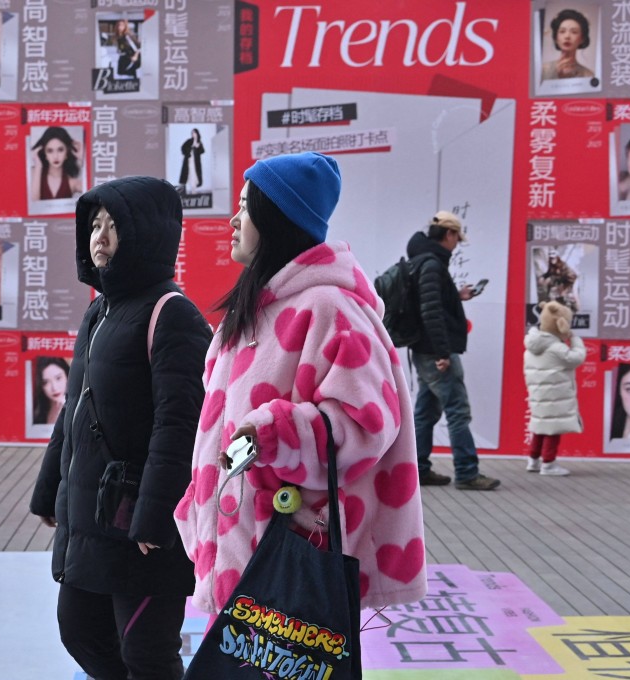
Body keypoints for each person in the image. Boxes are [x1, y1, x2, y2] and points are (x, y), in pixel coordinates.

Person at [174, 151, 428, 617]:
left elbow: (366, 423)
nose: (234, 218)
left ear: (277, 220)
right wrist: (198, 504)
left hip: (290, 552)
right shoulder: (249, 314)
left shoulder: (331, 308)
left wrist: (275, 433)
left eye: (247, 206)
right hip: (238, 548)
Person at [29, 176, 212, 680]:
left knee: (146, 655)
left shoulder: (172, 316)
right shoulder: (98, 312)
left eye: (114, 226)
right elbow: (75, 412)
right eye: (95, 225)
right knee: (79, 631)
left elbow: (180, 426)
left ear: (148, 234)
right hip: (92, 518)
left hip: (142, 529)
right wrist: (49, 492)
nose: (100, 238)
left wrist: (155, 517)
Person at [406, 211, 500, 490]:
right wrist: (443, 353)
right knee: (458, 409)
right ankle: (467, 472)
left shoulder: (423, 260)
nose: (457, 243)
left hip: (424, 348)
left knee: (426, 410)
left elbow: (432, 303)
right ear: (448, 234)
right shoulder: (432, 264)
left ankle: (419, 468)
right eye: (457, 237)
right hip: (435, 350)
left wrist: (457, 296)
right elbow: (431, 311)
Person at [524, 301, 585, 476]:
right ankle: (548, 464)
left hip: (539, 395)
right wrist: (574, 339)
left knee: (540, 426)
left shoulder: (531, 345)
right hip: (556, 394)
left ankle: (533, 460)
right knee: (553, 428)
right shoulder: (556, 347)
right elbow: (577, 358)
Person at [29, 127, 83, 202]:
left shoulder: (72, 183)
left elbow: (99, 193)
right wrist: (38, 166)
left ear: (67, 152)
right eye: (50, 151)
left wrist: (82, 157)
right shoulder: (33, 172)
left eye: (60, 150)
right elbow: (34, 203)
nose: (55, 156)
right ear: (45, 153)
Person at [541, 9, 594, 80]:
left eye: (574, 32)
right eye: (562, 31)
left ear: (582, 39)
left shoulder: (589, 75)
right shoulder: (543, 70)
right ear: (556, 38)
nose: (567, 36)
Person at [537, 248, 579, 312]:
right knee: (553, 293)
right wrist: (543, 277)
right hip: (560, 284)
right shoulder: (552, 266)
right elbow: (549, 273)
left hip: (570, 282)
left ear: (557, 258)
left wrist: (564, 286)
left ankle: (575, 310)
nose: (552, 260)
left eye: (554, 258)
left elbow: (573, 276)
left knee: (570, 296)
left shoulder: (563, 266)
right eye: (551, 258)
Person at [32, 357, 69, 426]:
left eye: (58, 378)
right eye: (45, 382)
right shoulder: (39, 410)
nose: (54, 388)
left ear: (67, 376)